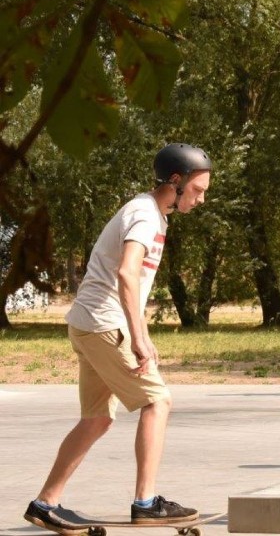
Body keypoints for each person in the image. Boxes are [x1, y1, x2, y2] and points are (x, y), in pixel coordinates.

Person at [25, 144, 211, 530]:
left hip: (90, 323)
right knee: (158, 401)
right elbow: (127, 273)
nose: (202, 198)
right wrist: (139, 336)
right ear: (175, 182)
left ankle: (45, 505)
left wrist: (137, 331)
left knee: (96, 419)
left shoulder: (152, 213)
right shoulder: (145, 214)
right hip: (104, 324)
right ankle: (145, 503)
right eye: (198, 189)